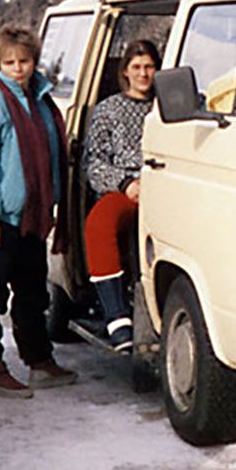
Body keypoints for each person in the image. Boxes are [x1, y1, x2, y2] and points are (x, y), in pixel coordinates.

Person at [0, 24, 77, 398]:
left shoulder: (41, 99)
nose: (18, 68)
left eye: (24, 61)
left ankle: (39, 360)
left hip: (33, 216)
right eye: (10, 62)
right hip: (1, 218)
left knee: (32, 295)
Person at [82, 39, 160, 353]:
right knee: (101, 221)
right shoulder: (109, 109)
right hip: (128, 188)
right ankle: (117, 317)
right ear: (126, 71)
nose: (143, 74)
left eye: (150, 67)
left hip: (169, 183)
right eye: (137, 67)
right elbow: (94, 163)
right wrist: (126, 183)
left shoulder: (169, 105)